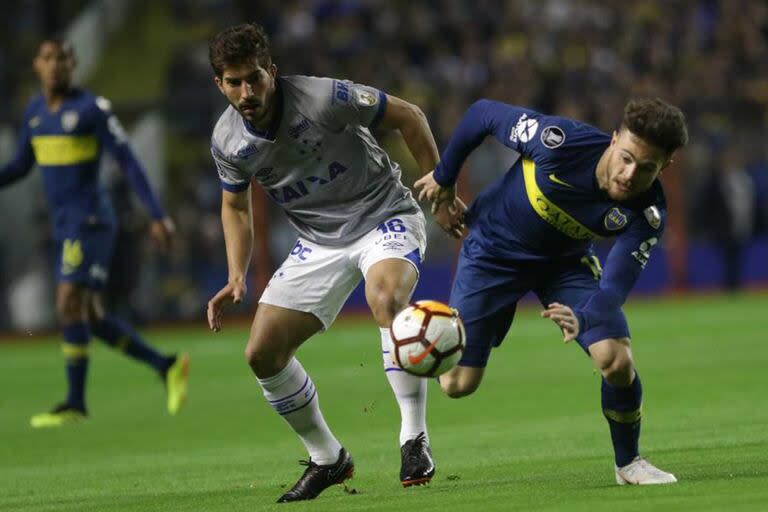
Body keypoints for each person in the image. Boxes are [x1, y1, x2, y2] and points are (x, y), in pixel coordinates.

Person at [205, 23, 461, 503]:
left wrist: (439, 190)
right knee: (261, 354)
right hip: (318, 242)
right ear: (219, 84)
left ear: (272, 73)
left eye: (254, 78)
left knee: (386, 298)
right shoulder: (227, 141)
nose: (246, 91)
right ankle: (328, 458)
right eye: (234, 82)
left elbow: (410, 115)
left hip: (384, 215)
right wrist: (236, 274)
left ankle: (413, 438)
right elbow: (235, 206)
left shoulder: (324, 98)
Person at [415, 97, 688, 485]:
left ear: (665, 167)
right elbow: (481, 114)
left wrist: (587, 317)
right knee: (457, 385)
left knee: (616, 360)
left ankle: (628, 463)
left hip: (563, 266)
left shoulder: (647, 213)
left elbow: (615, 285)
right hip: (493, 253)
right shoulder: (556, 141)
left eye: (646, 168)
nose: (629, 174)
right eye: (626, 157)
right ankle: (427, 331)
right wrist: (444, 178)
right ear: (614, 140)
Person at [0, 39, 189, 428]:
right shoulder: (34, 111)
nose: (56, 66)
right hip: (65, 225)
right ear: (37, 65)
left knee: (68, 301)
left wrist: (156, 215)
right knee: (91, 315)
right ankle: (166, 365)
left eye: (63, 59)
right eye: (48, 59)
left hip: (90, 222)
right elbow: (21, 165)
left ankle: (74, 402)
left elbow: (128, 161)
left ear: (74, 64)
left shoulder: (91, 110)